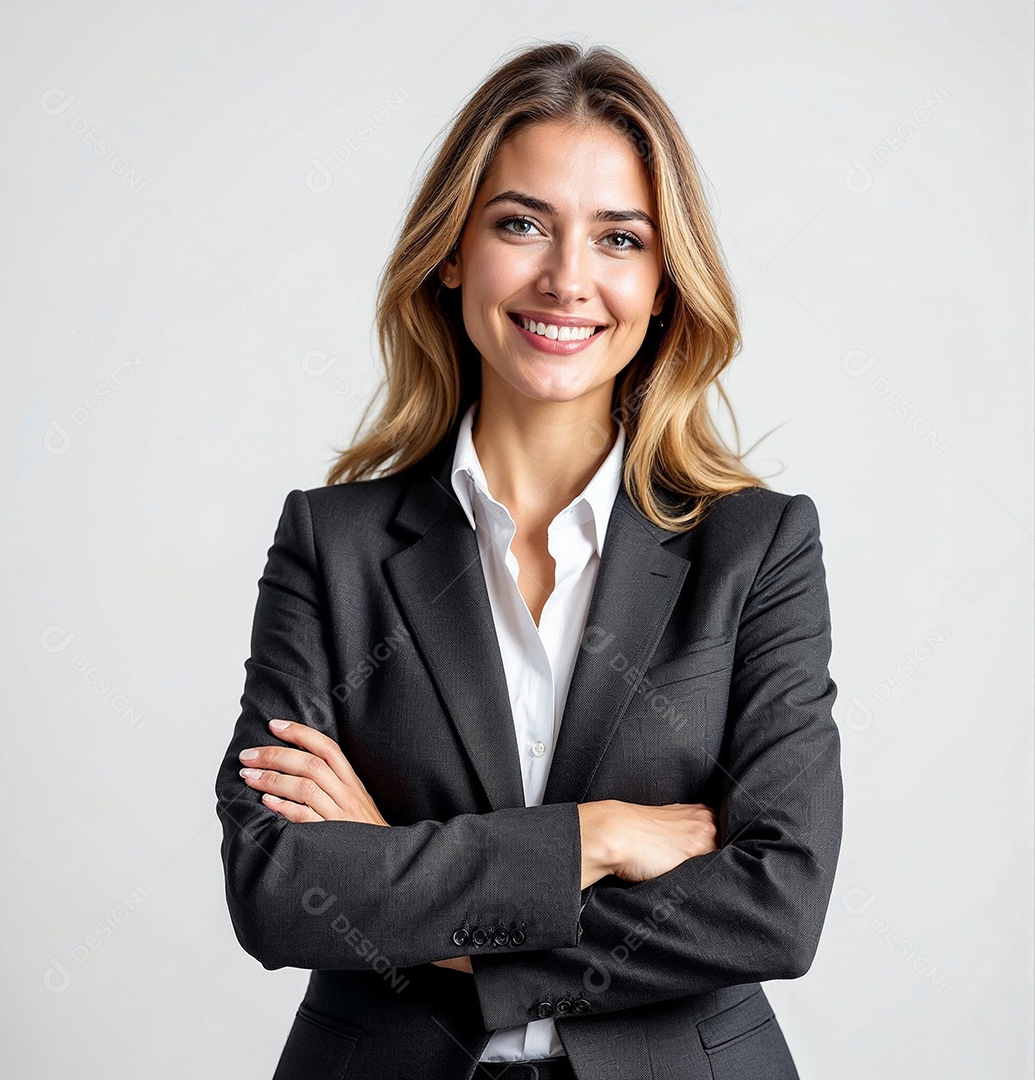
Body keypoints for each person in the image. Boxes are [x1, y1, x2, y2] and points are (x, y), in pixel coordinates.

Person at [215, 40, 843, 1080]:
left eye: (619, 239)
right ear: (453, 249)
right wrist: (591, 839)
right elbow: (280, 884)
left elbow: (775, 904)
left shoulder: (756, 548)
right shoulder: (334, 545)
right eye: (521, 224)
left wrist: (408, 891)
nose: (567, 280)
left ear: (663, 280)